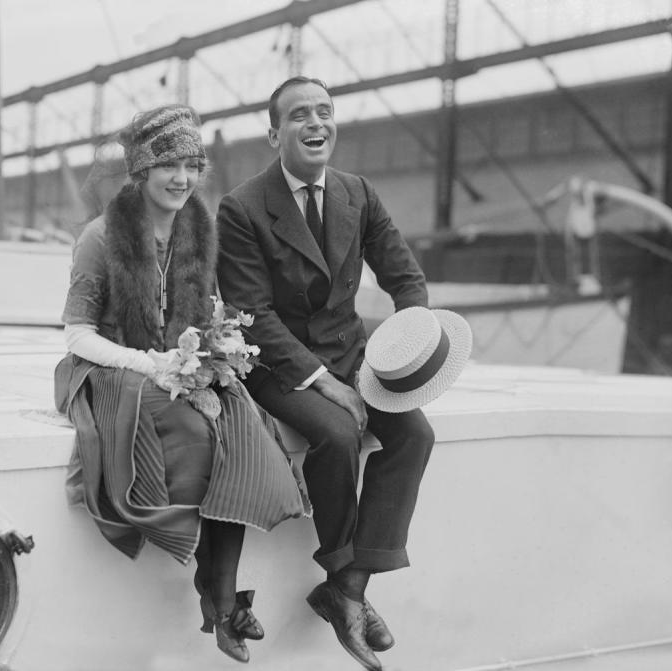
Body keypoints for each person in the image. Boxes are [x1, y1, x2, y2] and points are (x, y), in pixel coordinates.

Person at [56, 104, 310, 665]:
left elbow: (201, 306)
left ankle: (218, 594)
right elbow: (76, 334)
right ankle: (222, 601)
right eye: (169, 165)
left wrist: (217, 344)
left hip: (182, 360)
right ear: (141, 171)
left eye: (193, 165)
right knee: (196, 433)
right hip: (113, 368)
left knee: (243, 429)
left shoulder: (201, 228)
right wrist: (150, 365)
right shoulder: (102, 238)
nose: (183, 179)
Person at [216, 77, 434, 671]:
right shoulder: (241, 208)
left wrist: (417, 345)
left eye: (324, 112)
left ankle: (350, 587)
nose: (315, 124)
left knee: (415, 434)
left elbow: (404, 278)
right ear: (274, 134)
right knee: (336, 435)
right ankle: (340, 574)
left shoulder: (357, 193)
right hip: (278, 365)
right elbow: (252, 316)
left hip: (353, 356)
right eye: (298, 116)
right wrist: (324, 382)